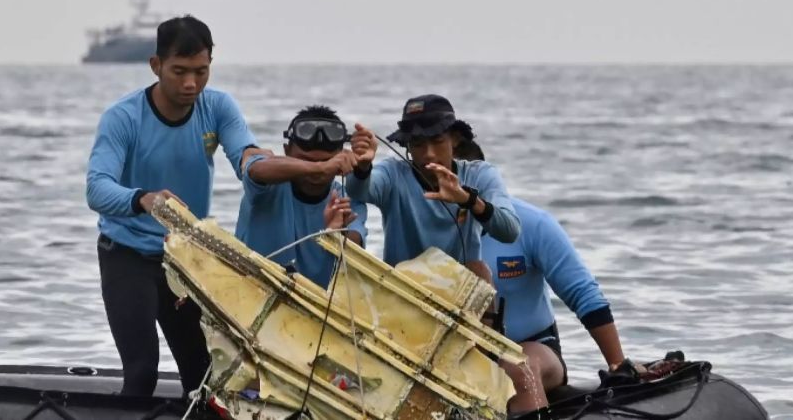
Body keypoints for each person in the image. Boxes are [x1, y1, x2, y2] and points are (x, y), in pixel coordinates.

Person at [85, 15, 267, 397]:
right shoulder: (123, 117)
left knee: (205, 380)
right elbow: (97, 190)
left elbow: (245, 158)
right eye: (179, 71)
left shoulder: (217, 107)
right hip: (127, 255)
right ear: (156, 66)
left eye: (201, 72)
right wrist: (143, 199)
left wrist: (295, 166)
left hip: (185, 261)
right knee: (142, 373)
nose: (190, 84)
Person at [453, 140, 628, 414]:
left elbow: (583, 294)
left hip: (533, 347)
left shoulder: (533, 223)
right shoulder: (421, 232)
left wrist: (617, 364)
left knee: (517, 368)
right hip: (452, 352)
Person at [346, 94, 520, 283]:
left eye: (437, 141)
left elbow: (510, 231)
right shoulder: (393, 174)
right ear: (407, 146)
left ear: (455, 139)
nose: (429, 154)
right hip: (403, 290)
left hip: (460, 291)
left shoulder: (480, 174)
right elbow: (360, 191)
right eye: (418, 144)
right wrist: (362, 167)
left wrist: (468, 200)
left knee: (479, 270)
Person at [236, 105, 368, 288]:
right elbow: (255, 169)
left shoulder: (347, 199)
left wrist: (336, 236)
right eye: (305, 160)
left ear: (341, 157)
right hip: (250, 292)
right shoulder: (266, 185)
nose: (317, 173)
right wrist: (322, 168)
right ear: (286, 151)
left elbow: (357, 245)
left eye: (326, 160)